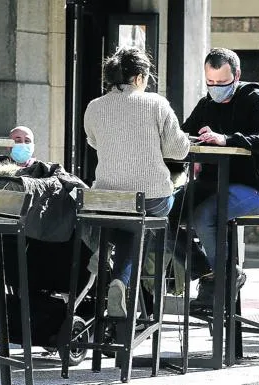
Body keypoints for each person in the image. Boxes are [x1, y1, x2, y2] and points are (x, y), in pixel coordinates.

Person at [83, 47, 190, 317]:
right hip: (150, 198)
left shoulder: (94, 107)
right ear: (140, 77)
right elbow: (178, 151)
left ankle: (110, 260)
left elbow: (94, 141)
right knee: (162, 208)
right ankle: (196, 267)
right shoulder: (156, 103)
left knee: (130, 222)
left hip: (106, 201)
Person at [177, 47, 259, 311]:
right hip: (211, 184)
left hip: (254, 188)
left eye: (222, 83)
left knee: (203, 216)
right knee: (163, 210)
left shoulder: (255, 99)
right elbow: (183, 135)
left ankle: (222, 278)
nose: (215, 88)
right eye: (210, 82)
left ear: (236, 76)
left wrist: (226, 139)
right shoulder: (206, 104)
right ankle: (211, 273)